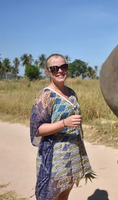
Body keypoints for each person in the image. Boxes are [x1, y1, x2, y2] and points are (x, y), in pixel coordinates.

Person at [30, 53, 95, 200]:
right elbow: (37, 130)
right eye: (54, 68)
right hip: (54, 155)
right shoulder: (45, 97)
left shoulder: (71, 93)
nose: (60, 71)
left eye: (63, 67)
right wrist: (64, 123)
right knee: (52, 195)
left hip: (72, 152)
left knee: (65, 193)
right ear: (48, 72)